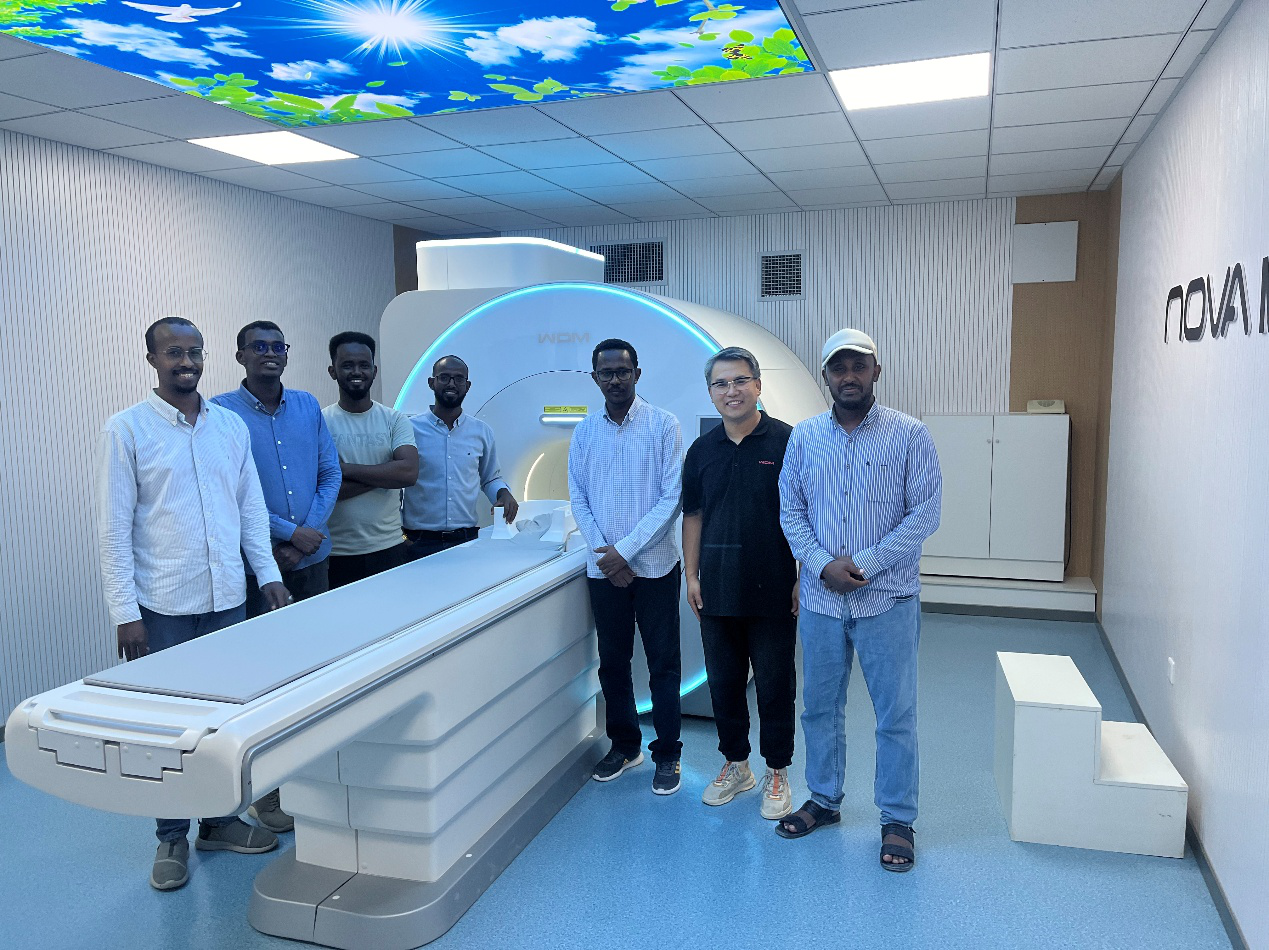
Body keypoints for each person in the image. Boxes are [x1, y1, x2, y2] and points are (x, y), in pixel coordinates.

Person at [98, 316, 290, 892]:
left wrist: (268, 575)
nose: (186, 362)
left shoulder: (229, 426)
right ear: (152, 359)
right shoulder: (126, 430)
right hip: (162, 606)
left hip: (227, 598)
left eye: (195, 352)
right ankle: (171, 837)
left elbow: (250, 508)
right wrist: (125, 613)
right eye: (174, 352)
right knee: (170, 728)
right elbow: (113, 530)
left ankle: (219, 822)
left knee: (222, 721)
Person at [777, 328, 941, 872]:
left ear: (876, 371)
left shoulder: (910, 434)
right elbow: (791, 512)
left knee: (896, 714)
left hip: (887, 600)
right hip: (821, 603)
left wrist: (865, 564)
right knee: (819, 709)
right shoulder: (805, 438)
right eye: (838, 367)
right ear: (825, 375)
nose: (848, 376)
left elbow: (925, 513)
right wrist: (822, 564)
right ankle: (824, 800)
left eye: (858, 366)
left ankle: (897, 818)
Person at [212, 319, 341, 834]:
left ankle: (306, 776)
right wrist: (287, 533)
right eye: (258, 346)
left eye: (277, 346)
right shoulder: (221, 413)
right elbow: (232, 490)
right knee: (259, 680)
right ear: (240, 356)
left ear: (287, 353)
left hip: (311, 564)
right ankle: (265, 791)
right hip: (255, 571)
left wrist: (307, 533)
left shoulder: (308, 406)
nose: (270, 353)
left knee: (309, 673)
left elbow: (330, 473)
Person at [682, 347, 798, 821]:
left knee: (774, 685)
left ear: (758, 385)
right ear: (711, 392)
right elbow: (693, 515)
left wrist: (801, 576)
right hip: (717, 588)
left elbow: (806, 513)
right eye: (721, 383)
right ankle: (736, 764)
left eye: (740, 381)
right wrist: (691, 575)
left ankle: (777, 770)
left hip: (774, 588)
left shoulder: (788, 441)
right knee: (724, 684)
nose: (731, 391)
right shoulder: (701, 450)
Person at [568, 338, 684, 795]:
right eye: (606, 373)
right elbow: (578, 497)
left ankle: (668, 752)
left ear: (637, 373)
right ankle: (625, 745)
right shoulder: (584, 432)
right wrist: (607, 556)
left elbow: (672, 498)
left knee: (663, 664)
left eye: (622, 371)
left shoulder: (663, 425)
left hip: (655, 567)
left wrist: (625, 552)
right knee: (613, 663)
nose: (615, 379)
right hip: (604, 571)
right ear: (595, 378)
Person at [322, 331, 419, 588]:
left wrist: (343, 469)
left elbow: (408, 473)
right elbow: (326, 491)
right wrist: (387, 475)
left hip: (390, 548)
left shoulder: (394, 420)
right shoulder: (320, 422)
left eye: (364, 365)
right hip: (336, 555)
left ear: (374, 371)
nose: (357, 372)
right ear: (332, 371)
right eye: (347, 365)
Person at [402, 355, 519, 559]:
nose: (451, 384)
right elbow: (396, 485)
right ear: (431, 383)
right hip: (418, 542)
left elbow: (490, 478)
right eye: (444, 377)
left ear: (467, 386)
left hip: (466, 540)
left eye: (458, 379)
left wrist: (504, 493)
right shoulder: (410, 429)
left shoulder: (481, 432)